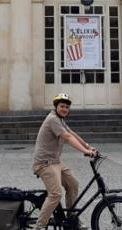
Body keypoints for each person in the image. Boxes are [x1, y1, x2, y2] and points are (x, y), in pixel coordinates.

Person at [33, 93, 95, 230]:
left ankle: (72, 219)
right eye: (62, 106)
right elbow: (66, 137)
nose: (64, 109)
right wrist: (84, 152)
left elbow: (71, 133)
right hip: (44, 163)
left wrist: (87, 146)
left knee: (73, 184)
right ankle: (40, 226)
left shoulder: (60, 120)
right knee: (55, 194)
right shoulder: (53, 119)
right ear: (56, 107)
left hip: (55, 161)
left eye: (67, 107)